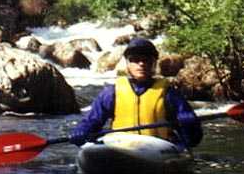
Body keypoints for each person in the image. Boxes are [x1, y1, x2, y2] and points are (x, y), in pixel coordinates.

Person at [69, 38, 202, 150]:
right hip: (119, 147)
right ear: (127, 63)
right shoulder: (111, 93)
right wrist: (82, 130)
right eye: (135, 59)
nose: (141, 64)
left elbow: (193, 140)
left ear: (154, 63)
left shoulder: (169, 94)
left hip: (158, 148)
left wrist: (190, 126)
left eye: (146, 60)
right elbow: (93, 121)